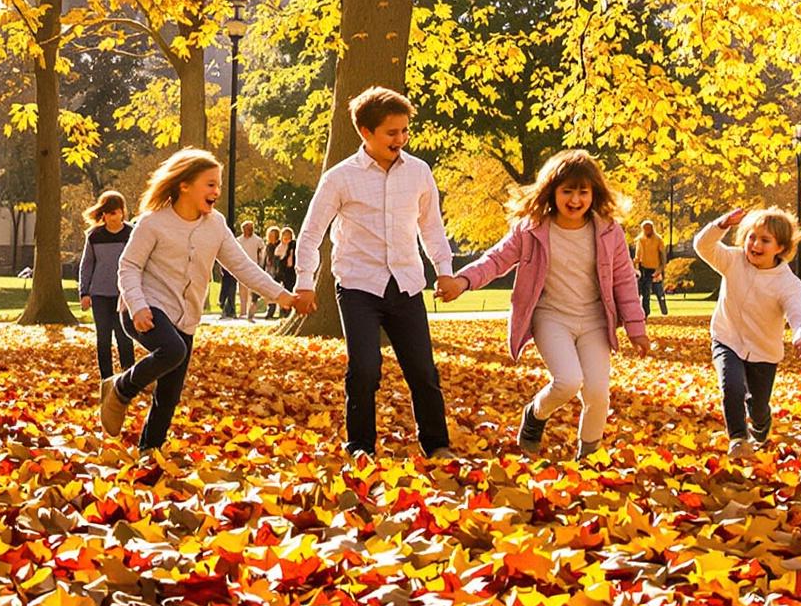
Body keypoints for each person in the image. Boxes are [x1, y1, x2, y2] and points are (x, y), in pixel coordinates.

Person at [442, 149, 651, 455]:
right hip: (551, 317)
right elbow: (496, 260)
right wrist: (463, 281)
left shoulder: (609, 231)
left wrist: (636, 328)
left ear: (594, 193)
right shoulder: (531, 228)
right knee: (568, 380)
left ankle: (589, 455)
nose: (575, 200)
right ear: (552, 192)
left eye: (583, 192)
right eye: (567, 191)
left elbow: (624, 281)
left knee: (597, 393)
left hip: (594, 320)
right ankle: (535, 414)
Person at [293, 87, 458, 459]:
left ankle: (436, 445)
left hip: (406, 285)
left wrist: (444, 272)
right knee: (365, 369)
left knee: (423, 372)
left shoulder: (418, 172)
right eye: (391, 132)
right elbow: (311, 232)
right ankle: (360, 446)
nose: (400, 139)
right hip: (358, 286)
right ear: (365, 133)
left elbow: (431, 227)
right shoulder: (340, 177)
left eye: (404, 131)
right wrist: (304, 283)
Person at [100, 148, 298, 451]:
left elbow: (242, 266)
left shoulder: (216, 225)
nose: (217, 191)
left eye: (218, 184)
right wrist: (137, 306)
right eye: (210, 184)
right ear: (184, 185)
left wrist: (281, 295)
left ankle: (149, 453)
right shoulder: (153, 222)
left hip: (185, 318)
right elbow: (128, 267)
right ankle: (121, 388)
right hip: (143, 307)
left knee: (170, 393)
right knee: (172, 349)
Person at [694, 205, 801, 454]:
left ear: (780, 247)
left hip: (763, 352)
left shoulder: (787, 282)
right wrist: (722, 224)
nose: (755, 244)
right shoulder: (733, 260)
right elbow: (702, 246)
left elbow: (797, 312)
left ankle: (761, 423)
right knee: (732, 387)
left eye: (765, 240)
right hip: (727, 339)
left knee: (758, 406)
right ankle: (738, 438)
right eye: (751, 237)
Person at [78, 191, 134, 379]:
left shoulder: (131, 234)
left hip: (124, 294)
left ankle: (128, 375)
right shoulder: (94, 236)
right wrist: (84, 292)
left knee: (124, 336)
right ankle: (107, 378)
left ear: (122, 213)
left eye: (115, 213)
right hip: (100, 294)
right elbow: (87, 264)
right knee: (103, 338)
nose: (112, 217)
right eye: (108, 213)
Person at [633, 219, 671, 316]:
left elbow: (663, 255)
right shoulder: (640, 240)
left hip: (656, 268)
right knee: (645, 292)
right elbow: (638, 255)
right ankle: (646, 312)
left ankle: (664, 311)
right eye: (645, 229)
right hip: (644, 269)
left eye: (648, 228)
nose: (647, 231)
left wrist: (661, 268)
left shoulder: (658, 239)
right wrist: (634, 264)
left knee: (659, 292)